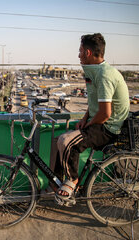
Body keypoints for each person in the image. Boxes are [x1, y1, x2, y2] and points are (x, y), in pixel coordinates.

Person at [56, 33, 130, 200]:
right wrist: (84, 119)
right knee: (59, 140)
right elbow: (96, 102)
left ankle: (72, 180)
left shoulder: (105, 75)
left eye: (80, 51)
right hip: (100, 124)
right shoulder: (98, 72)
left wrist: (88, 126)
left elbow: (105, 113)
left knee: (65, 141)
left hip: (108, 129)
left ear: (88, 53)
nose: (78, 55)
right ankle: (55, 183)